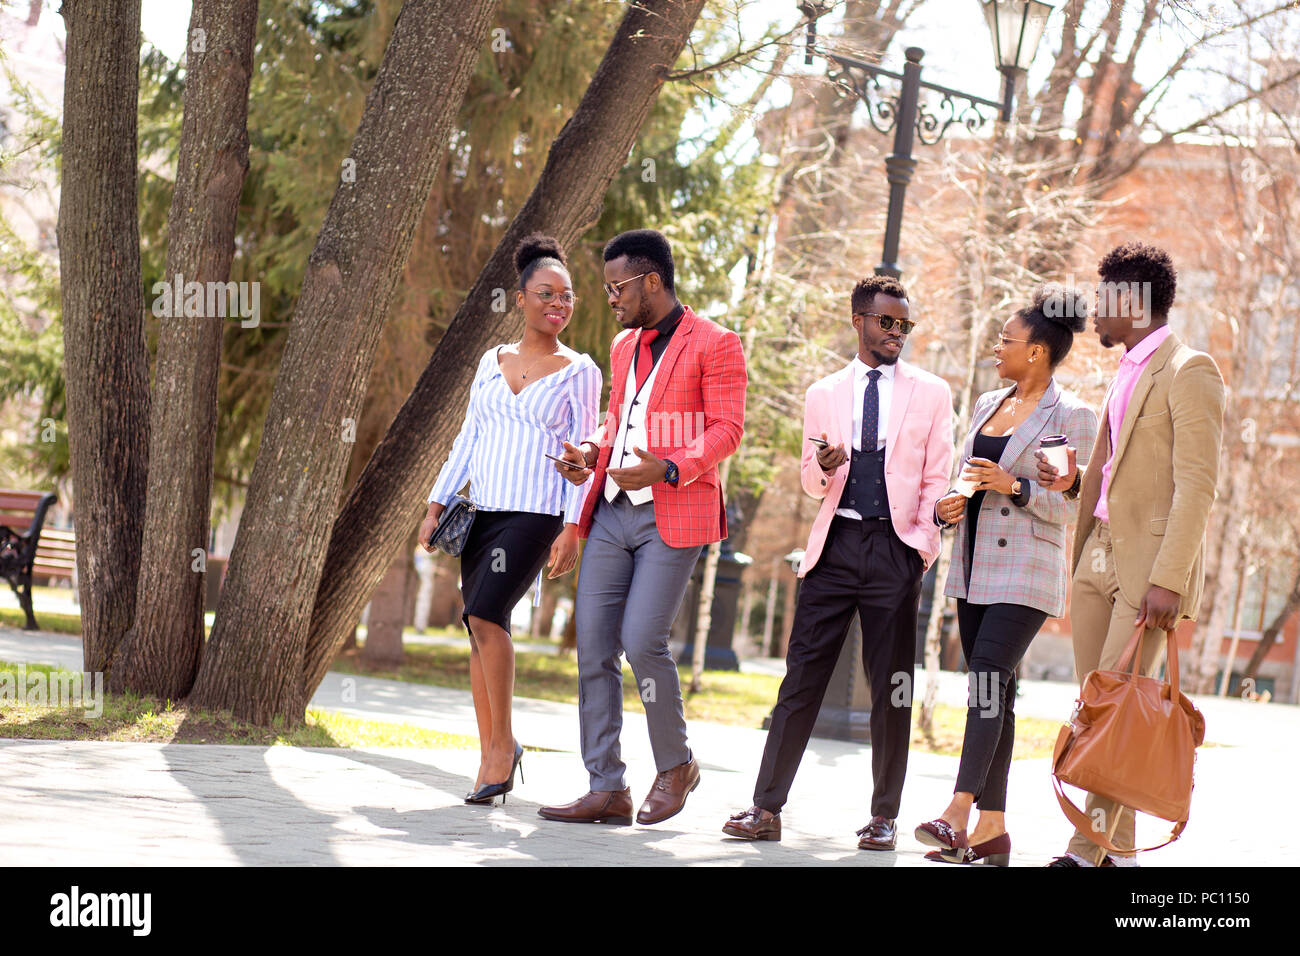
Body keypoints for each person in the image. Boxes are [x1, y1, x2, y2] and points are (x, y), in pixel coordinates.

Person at [722, 275, 952, 849]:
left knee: (891, 687)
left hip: (893, 551)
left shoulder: (931, 392)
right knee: (800, 680)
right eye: (887, 322)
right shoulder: (823, 392)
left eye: (905, 324)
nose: (897, 332)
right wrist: (825, 465)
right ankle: (765, 808)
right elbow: (808, 480)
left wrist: (918, 548)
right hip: (834, 549)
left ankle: (884, 817)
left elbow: (936, 477)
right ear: (860, 321)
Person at [537, 229, 747, 827]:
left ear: (652, 280)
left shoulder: (716, 343)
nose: (609, 298)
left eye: (617, 286)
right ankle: (606, 787)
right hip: (608, 511)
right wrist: (588, 451)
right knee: (595, 648)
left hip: (671, 515)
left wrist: (671, 467)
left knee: (641, 641)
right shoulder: (624, 345)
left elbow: (727, 427)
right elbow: (614, 421)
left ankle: (676, 764)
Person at [1037, 242, 1225, 867]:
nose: (1094, 309)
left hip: (1148, 569)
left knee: (1115, 706)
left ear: (1131, 301)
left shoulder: (1190, 369)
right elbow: (1114, 469)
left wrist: (1169, 578)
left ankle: (1084, 848)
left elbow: (1197, 483)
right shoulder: (1128, 369)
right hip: (1098, 555)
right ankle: (1121, 851)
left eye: (1102, 297)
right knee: (1101, 707)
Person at [913, 284, 1098, 866]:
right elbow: (968, 475)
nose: (997, 348)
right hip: (972, 566)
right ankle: (993, 833)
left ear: (1038, 351)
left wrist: (1013, 486)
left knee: (986, 679)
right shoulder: (987, 402)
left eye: (1007, 340)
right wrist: (953, 500)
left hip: (1028, 569)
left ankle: (957, 812)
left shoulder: (1073, 415)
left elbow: (1074, 502)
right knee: (1000, 694)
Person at [418, 234, 601, 806]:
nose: (558, 304)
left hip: (537, 511)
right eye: (546, 293)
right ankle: (495, 749)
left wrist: (575, 526)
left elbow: (587, 455)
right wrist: (436, 503)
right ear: (519, 299)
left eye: (567, 296)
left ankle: (502, 751)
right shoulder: (489, 361)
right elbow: (468, 437)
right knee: (478, 628)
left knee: (485, 612)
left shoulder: (580, 370)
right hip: (482, 510)